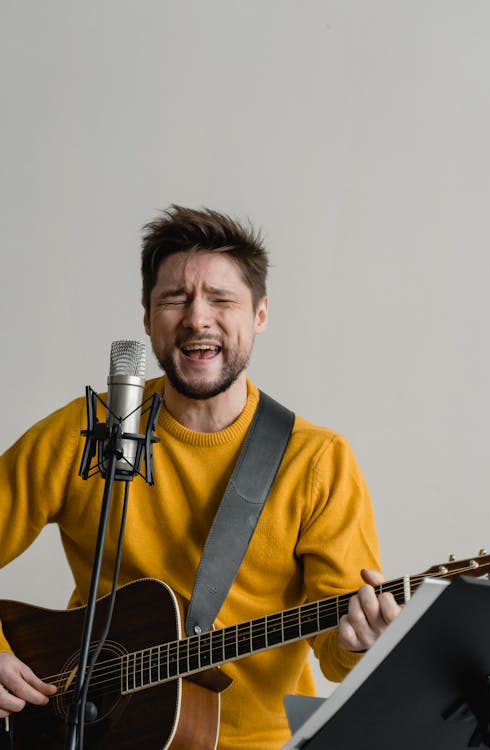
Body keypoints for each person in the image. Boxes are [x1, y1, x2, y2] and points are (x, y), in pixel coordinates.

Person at [0, 205, 400, 749]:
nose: (197, 318)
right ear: (147, 320)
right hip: (85, 732)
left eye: (221, 299)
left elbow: (335, 653)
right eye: (174, 299)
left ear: (260, 314)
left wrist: (361, 641)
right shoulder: (87, 432)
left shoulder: (317, 461)